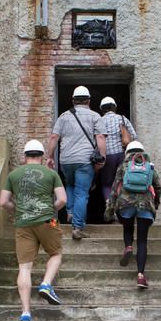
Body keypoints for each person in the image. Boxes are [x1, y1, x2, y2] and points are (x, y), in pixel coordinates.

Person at [0, 139, 67, 321]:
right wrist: (48, 210)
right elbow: (62, 200)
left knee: (25, 268)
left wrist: (18, 210)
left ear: (25, 156)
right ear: (42, 156)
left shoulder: (14, 175)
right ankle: (46, 284)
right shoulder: (51, 173)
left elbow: (3, 202)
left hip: (23, 223)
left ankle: (26, 313)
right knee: (56, 253)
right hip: (48, 220)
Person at [45, 85, 107, 240]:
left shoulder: (64, 116)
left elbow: (54, 137)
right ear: (89, 100)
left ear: (73, 100)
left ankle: (71, 213)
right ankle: (77, 227)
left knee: (70, 185)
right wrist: (103, 157)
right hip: (84, 161)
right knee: (82, 193)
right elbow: (100, 137)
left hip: (66, 161)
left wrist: (50, 157)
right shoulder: (95, 116)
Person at [105, 141, 161, 288]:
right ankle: (140, 276)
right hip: (146, 206)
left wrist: (110, 209)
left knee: (127, 226)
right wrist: (155, 203)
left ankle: (128, 246)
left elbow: (114, 189)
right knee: (142, 241)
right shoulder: (150, 166)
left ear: (127, 152)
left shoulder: (123, 166)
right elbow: (159, 187)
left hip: (125, 205)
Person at [98, 96, 137, 202]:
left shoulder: (99, 121)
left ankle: (109, 206)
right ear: (114, 107)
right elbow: (134, 136)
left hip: (107, 156)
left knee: (107, 184)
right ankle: (122, 207)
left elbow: (95, 139)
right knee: (122, 181)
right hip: (122, 155)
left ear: (102, 109)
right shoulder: (122, 118)